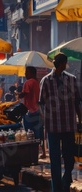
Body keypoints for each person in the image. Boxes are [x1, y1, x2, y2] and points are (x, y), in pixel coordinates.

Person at [39, 53, 80, 192]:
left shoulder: (71, 79)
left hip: (69, 125)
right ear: (61, 63)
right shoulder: (46, 81)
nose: (63, 65)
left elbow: (77, 102)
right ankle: (57, 188)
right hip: (53, 126)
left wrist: (80, 120)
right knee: (55, 160)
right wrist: (45, 118)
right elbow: (41, 103)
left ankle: (66, 179)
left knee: (69, 159)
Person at [19, 66, 46, 159]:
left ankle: (31, 153)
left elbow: (24, 94)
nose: (25, 74)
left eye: (27, 72)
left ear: (31, 73)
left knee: (29, 133)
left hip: (29, 111)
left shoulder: (28, 82)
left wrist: (18, 94)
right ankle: (43, 152)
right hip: (39, 111)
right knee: (39, 133)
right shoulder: (39, 83)